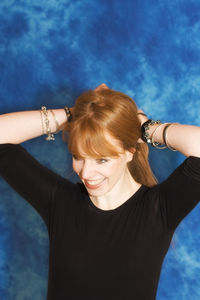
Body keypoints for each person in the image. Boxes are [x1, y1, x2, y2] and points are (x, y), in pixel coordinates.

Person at [0, 83, 200, 300]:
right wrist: (81, 116)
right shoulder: (60, 202)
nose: (86, 172)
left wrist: (145, 128)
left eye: (102, 160)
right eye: (78, 157)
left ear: (130, 152)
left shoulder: (159, 209)